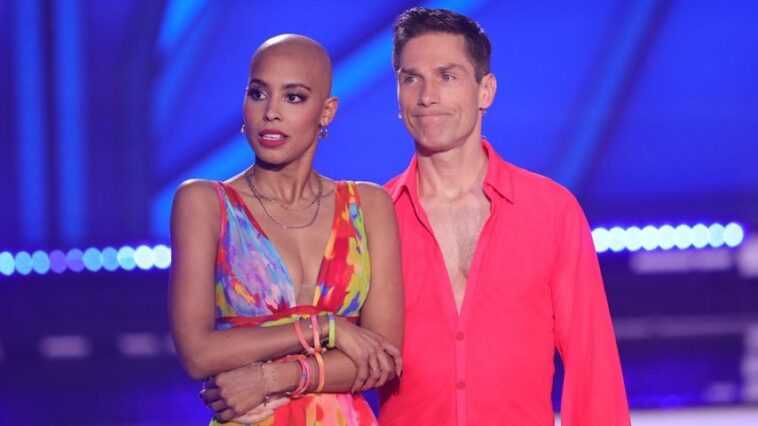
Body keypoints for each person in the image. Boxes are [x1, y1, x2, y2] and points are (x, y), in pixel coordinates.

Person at [377, 8, 630, 425]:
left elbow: (592, 366)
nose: (427, 96)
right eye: (411, 79)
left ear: (486, 91)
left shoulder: (551, 211)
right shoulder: (373, 217)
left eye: (447, 76)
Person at [169, 34, 403, 425]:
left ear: (326, 111)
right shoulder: (205, 203)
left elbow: (384, 357)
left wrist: (272, 378)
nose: (270, 112)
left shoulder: (369, 205)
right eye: (258, 94)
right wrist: (326, 328)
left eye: (293, 97)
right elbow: (197, 353)